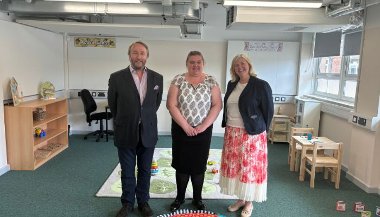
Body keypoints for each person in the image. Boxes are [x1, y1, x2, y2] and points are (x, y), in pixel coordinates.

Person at [108, 41, 163, 217]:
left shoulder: (157, 78)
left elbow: (154, 104)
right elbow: (113, 105)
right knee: (127, 169)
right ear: (129, 55)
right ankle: (127, 204)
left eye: (142, 53)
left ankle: (143, 202)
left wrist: (143, 118)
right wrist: (127, 119)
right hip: (125, 131)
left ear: (147, 56)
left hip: (148, 131)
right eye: (135, 53)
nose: (138, 56)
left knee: (146, 170)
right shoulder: (116, 77)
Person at [166, 51, 222, 212]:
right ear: (187, 63)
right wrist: (186, 127)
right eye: (192, 62)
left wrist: (202, 127)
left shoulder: (211, 81)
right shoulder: (178, 79)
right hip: (181, 130)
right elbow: (171, 105)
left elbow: (217, 105)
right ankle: (180, 198)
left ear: (203, 63)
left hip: (203, 131)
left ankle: (197, 199)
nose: (195, 65)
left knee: (199, 166)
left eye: (198, 62)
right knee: (182, 165)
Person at [219, 54, 274, 217]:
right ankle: (241, 199)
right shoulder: (231, 84)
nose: (239, 67)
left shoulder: (260, 85)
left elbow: (268, 111)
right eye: (236, 65)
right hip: (232, 132)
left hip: (251, 135)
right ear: (233, 69)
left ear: (249, 65)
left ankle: (249, 203)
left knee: (249, 168)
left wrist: (262, 130)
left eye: (242, 64)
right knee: (236, 167)